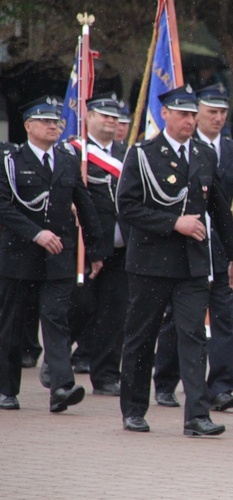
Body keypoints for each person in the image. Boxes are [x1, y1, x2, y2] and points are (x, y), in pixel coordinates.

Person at [117, 84, 233, 435]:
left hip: (193, 264)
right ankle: (133, 409)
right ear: (165, 115)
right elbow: (127, 207)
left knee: (193, 335)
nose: (189, 120)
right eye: (183, 114)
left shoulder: (204, 154)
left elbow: (219, 210)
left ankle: (197, 416)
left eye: (193, 114)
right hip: (151, 263)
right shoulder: (143, 153)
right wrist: (174, 223)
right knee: (141, 336)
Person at [152, 83, 233, 412]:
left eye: (224, 112)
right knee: (180, 320)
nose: (218, 118)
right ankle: (166, 381)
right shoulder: (184, 147)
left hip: (223, 247)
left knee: (225, 316)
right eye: (211, 112)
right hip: (187, 247)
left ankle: (221, 385)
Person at [0, 96, 103, 412]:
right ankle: (6, 389)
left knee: (56, 319)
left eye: (56, 121)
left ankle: (61, 387)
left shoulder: (68, 158)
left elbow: (84, 203)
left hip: (58, 256)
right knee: (12, 324)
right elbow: (4, 206)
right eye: (45, 121)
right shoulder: (11, 160)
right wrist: (36, 233)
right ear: (28, 126)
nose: (52, 126)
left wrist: (96, 249)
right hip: (19, 257)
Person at [64, 93, 129, 397]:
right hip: (86, 246)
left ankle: (105, 375)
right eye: (104, 115)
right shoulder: (74, 153)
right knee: (80, 306)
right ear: (88, 117)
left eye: (115, 117)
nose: (110, 121)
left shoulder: (126, 154)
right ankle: (60, 360)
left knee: (114, 313)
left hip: (121, 247)